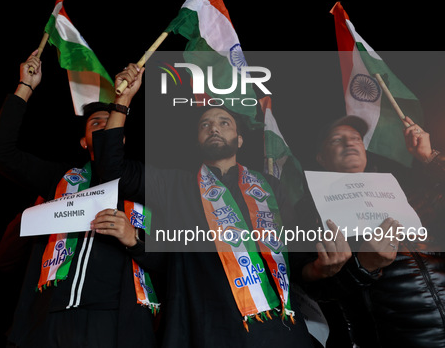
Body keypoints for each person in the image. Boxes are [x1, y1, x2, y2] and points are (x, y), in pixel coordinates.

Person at [94, 65, 314, 347]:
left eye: (224, 123)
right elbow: (112, 169)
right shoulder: (174, 185)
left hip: (280, 331)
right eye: (205, 125)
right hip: (207, 329)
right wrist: (122, 101)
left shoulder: (270, 187)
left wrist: (323, 268)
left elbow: (296, 254)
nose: (214, 128)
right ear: (197, 140)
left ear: (240, 139)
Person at [0, 51, 159, 348]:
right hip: (50, 315)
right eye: (95, 125)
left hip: (117, 319)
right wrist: (24, 87)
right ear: (83, 141)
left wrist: (135, 239)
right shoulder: (60, 177)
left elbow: (172, 258)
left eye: (111, 122)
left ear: (123, 136)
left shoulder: (144, 182)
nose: (104, 126)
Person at [294, 114, 445, 347]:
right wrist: (363, 266)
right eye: (336, 140)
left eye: (356, 138)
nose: (349, 142)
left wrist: (430, 158)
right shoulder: (310, 210)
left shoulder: (408, 193)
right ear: (321, 158)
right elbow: (312, 291)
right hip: (395, 338)